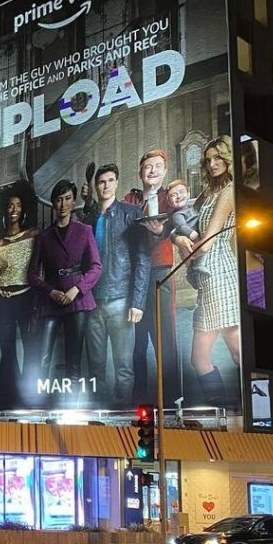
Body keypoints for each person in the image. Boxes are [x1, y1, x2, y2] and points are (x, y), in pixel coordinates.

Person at [82, 163, 148, 408]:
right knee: (95, 366)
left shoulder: (131, 213)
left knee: (123, 366)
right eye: (101, 182)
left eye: (110, 180)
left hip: (121, 300)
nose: (106, 185)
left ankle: (121, 414)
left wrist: (137, 302)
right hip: (93, 302)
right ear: (97, 186)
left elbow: (142, 257)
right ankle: (99, 414)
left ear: (117, 183)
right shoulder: (88, 219)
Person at [28, 180, 102, 397]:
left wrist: (77, 290)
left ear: (73, 200)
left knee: (74, 361)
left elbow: (96, 267)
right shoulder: (43, 236)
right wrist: (50, 291)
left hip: (77, 301)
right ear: (53, 203)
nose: (63, 204)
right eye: (59, 199)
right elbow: (32, 274)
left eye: (68, 198)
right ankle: (40, 408)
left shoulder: (85, 230)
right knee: (42, 359)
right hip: (50, 301)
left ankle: (73, 406)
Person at [182, 135, 240, 405]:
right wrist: (177, 237)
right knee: (199, 359)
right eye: (208, 160)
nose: (213, 163)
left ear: (228, 159)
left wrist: (185, 248)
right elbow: (192, 231)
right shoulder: (210, 192)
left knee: (239, 352)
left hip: (219, 273)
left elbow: (208, 240)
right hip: (207, 276)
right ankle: (225, 412)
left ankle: (256, 412)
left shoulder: (230, 190)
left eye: (218, 158)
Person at [122, 148, 178, 405]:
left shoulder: (169, 198)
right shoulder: (130, 200)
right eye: (148, 167)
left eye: (157, 166)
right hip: (133, 277)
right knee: (136, 342)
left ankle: (173, 401)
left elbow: (178, 224)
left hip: (159, 274)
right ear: (140, 172)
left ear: (164, 171)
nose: (152, 171)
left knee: (163, 339)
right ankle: (140, 402)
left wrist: (160, 232)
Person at [0, 182, 39, 409]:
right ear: (5, 210)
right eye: (10, 206)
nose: (14, 209)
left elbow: (38, 269)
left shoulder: (34, 235)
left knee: (31, 349)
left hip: (27, 299)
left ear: (24, 209)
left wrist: (38, 303)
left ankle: (32, 400)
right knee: (7, 353)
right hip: (5, 301)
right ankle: (9, 402)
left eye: (18, 205)